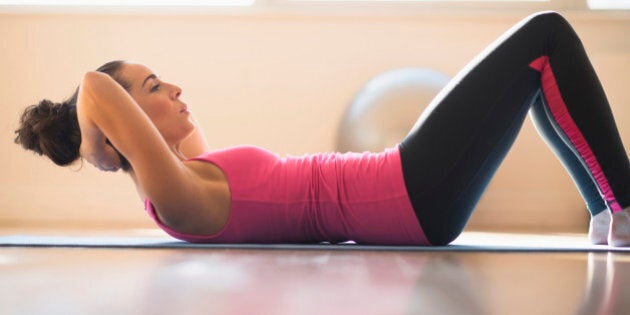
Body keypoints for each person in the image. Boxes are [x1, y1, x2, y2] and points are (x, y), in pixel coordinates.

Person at [14, 11, 630, 246]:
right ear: (125, 131)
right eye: (153, 88)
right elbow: (94, 87)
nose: (175, 89)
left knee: (532, 69)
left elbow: (105, 96)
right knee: (546, 33)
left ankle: (607, 216)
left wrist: (108, 131)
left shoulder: (193, 176)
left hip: (407, 190)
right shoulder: (178, 198)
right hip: (407, 190)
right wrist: (96, 141)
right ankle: (623, 205)